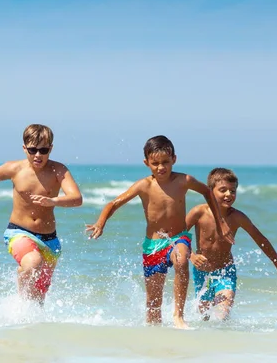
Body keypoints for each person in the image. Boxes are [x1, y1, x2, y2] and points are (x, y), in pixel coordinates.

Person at [86, 135, 230, 329]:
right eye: (155, 163)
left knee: (181, 258)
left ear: (174, 160)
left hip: (178, 237)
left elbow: (207, 192)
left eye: (165, 162)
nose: (161, 167)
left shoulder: (183, 180)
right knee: (153, 304)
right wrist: (100, 223)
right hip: (153, 244)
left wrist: (220, 222)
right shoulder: (144, 185)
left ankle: (178, 316)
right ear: (147, 163)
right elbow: (114, 203)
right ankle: (154, 334)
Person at [0, 124, 83, 305]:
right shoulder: (15, 169)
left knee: (38, 299)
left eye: (43, 150)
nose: (38, 155)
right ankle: (19, 302)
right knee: (32, 263)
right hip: (19, 232)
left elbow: (77, 198)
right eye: (33, 150)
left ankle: (29, 327)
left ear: (50, 149)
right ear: (24, 148)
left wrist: (53, 201)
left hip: (50, 239)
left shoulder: (58, 170)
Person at [185, 167, 277, 320]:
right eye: (223, 190)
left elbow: (261, 240)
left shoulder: (237, 217)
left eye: (233, 191)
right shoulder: (198, 212)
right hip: (202, 273)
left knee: (222, 315)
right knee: (204, 317)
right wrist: (191, 256)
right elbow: (178, 236)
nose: (229, 194)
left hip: (225, 272)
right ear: (210, 191)